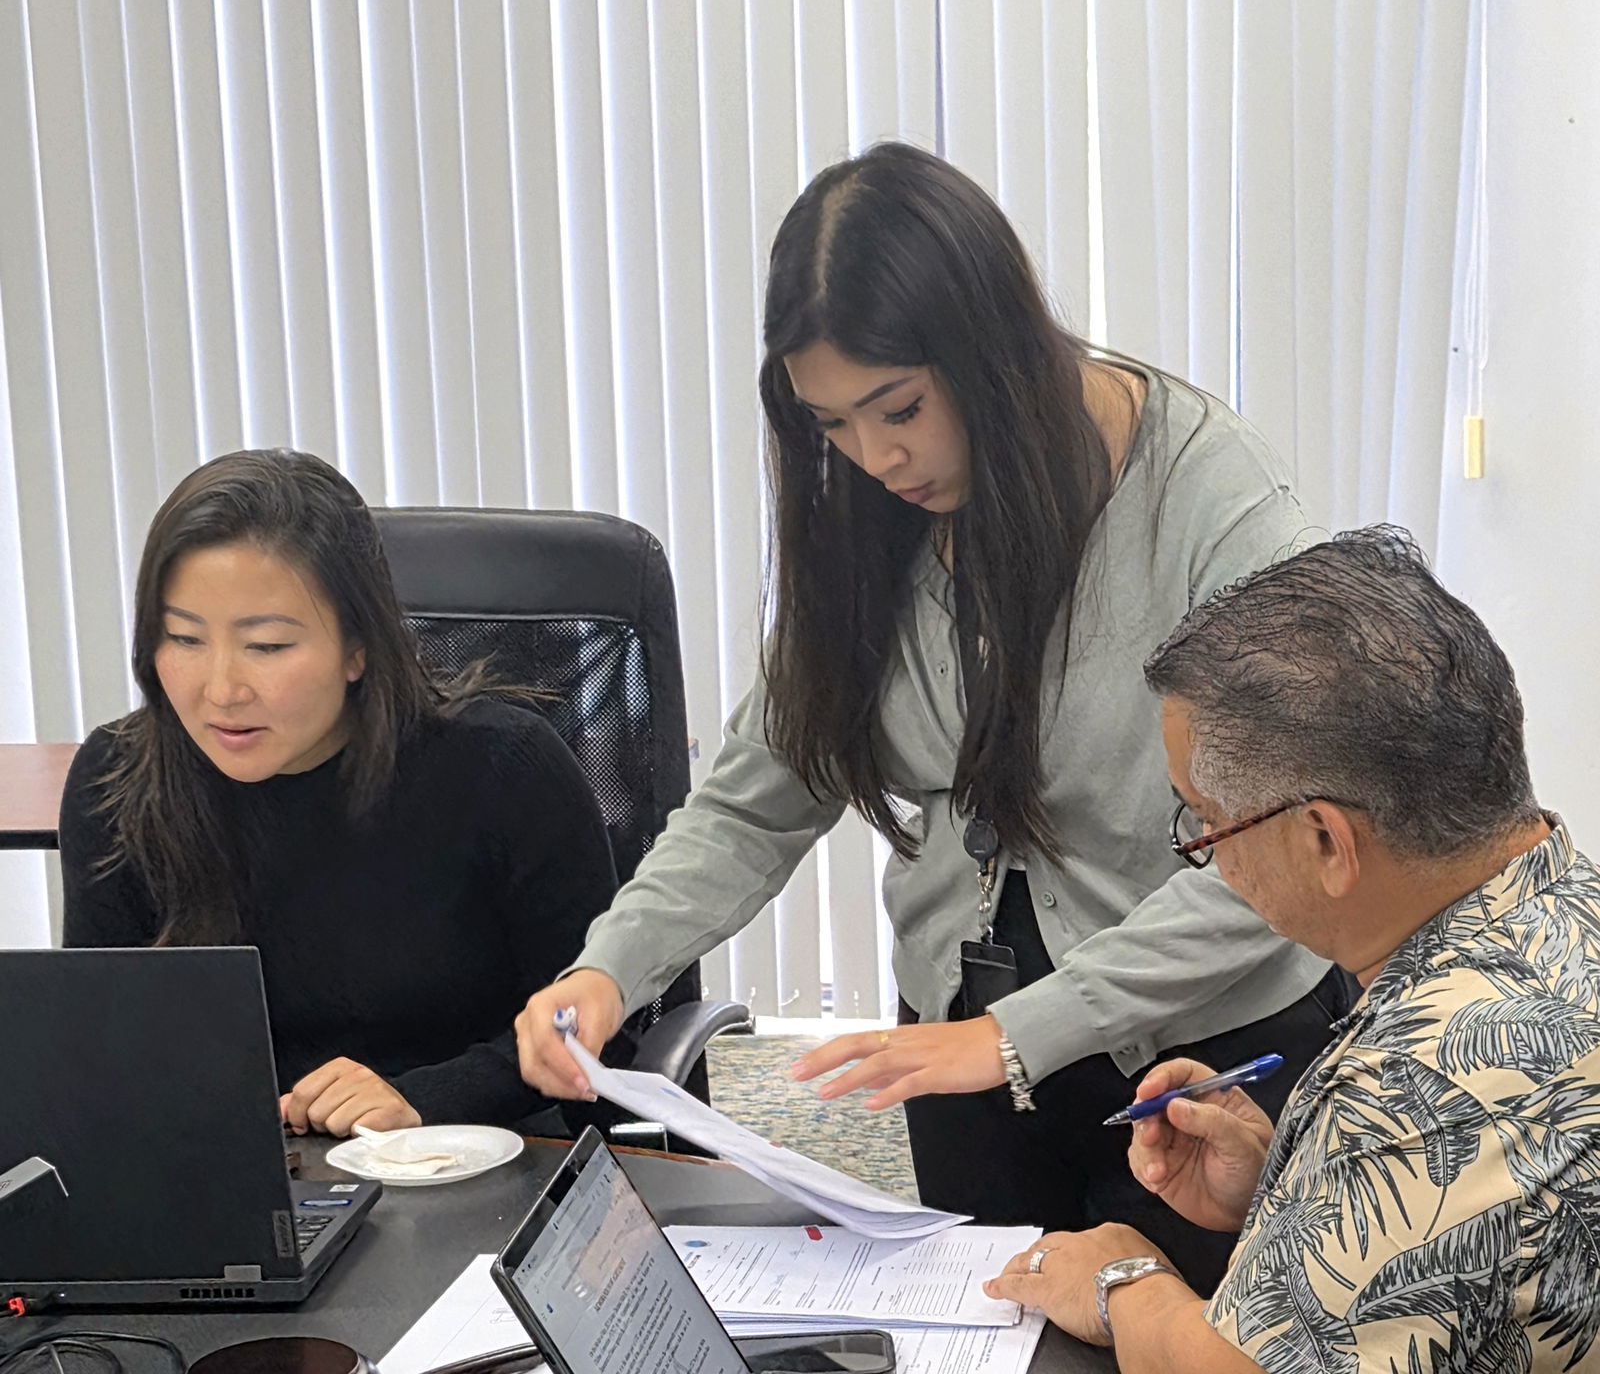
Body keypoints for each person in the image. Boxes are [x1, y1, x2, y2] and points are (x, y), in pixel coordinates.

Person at [516, 140, 1351, 1290]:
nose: (874, 456)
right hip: (964, 1037)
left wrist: (1014, 1037)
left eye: (897, 407)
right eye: (832, 426)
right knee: (984, 1331)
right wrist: (610, 968)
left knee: (1176, 1338)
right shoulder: (872, 517)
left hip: (1199, 1059)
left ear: (993, 351)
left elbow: (1287, 856)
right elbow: (765, 789)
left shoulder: (1215, 504)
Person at [984, 526, 1600, 1371]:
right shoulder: (1565, 905)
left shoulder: (1419, 1086)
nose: (1206, 851)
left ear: (1324, 840)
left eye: (1204, 821)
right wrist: (1294, 1184)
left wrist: (1123, 1281)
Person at [60, 448, 619, 1136]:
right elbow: (97, 1061)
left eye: (266, 647)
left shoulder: (502, 769)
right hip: (244, 1182)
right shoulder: (117, 784)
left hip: (478, 1167)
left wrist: (427, 1100)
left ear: (358, 647)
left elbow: (591, 1037)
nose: (222, 690)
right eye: (183, 639)